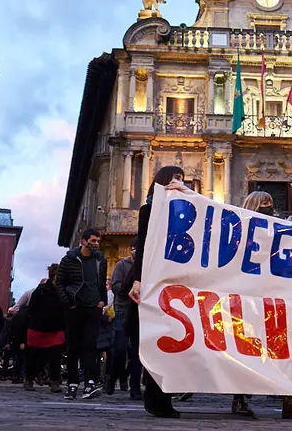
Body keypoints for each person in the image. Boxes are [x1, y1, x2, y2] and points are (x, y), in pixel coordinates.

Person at [230, 191, 292, 419]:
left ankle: (290, 399)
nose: (268, 206)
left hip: (276, 296)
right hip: (249, 297)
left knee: (284, 347)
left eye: (271, 203)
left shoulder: (280, 227)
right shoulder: (240, 226)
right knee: (249, 350)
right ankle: (241, 399)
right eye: (264, 203)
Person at [128, 165, 193, 418]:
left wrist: (186, 192)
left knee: (173, 339)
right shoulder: (149, 210)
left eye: (183, 179)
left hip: (177, 283)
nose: (179, 182)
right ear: (163, 181)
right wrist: (138, 279)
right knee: (158, 340)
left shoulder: (186, 208)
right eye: (176, 178)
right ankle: (156, 399)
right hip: (155, 282)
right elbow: (143, 245)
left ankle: (160, 398)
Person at [56, 228, 109, 400]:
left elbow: (101, 282)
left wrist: (102, 300)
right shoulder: (69, 259)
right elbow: (60, 283)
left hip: (93, 308)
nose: (96, 244)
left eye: (98, 241)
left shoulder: (100, 260)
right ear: (84, 241)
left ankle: (90, 383)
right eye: (93, 241)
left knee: (91, 346)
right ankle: (72, 384)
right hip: (75, 307)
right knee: (73, 348)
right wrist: (67, 302)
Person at [25, 264, 66, 393]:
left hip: (56, 329)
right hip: (38, 328)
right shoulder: (41, 290)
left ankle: (54, 381)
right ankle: (29, 379)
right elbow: (31, 308)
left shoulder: (63, 292)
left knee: (55, 356)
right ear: (54, 277)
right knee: (34, 357)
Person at [109, 239, 142, 398]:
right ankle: (113, 378)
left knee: (137, 352)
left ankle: (134, 387)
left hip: (140, 312)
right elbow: (116, 288)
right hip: (123, 310)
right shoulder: (122, 266)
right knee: (120, 349)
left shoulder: (146, 267)